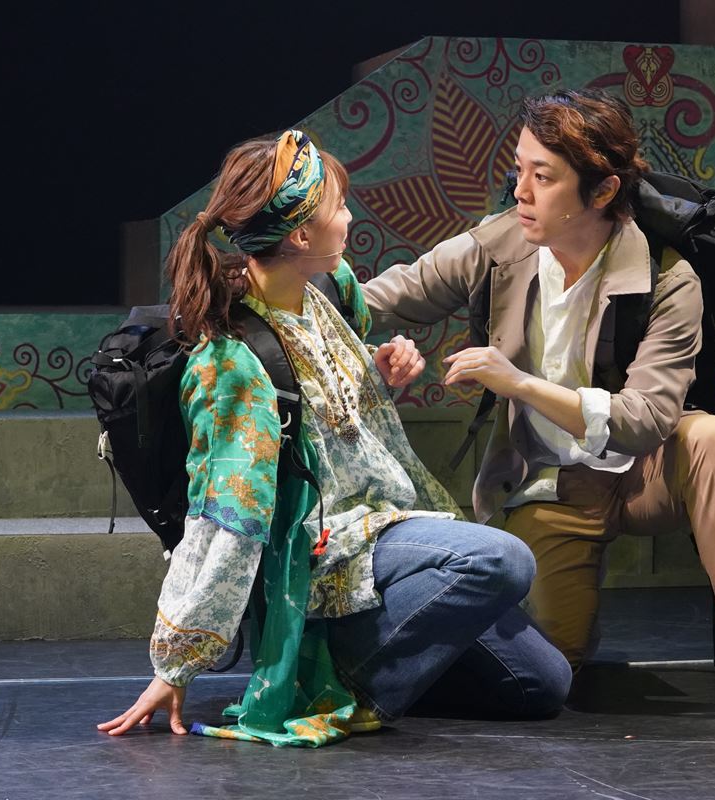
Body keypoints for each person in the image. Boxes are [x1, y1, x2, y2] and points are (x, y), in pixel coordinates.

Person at [97, 130, 571, 747]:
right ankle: (330, 682)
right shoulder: (232, 365)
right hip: (320, 559)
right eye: (339, 206)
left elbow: (320, 389)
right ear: (299, 236)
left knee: (541, 684)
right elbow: (224, 517)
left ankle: (378, 659)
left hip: (378, 527)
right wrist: (175, 664)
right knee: (501, 559)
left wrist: (378, 368)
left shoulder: (328, 289)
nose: (349, 217)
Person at [361, 89, 715, 726]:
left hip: (648, 471)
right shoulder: (499, 248)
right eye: (519, 170)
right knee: (546, 673)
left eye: (543, 177)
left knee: (710, 438)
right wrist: (272, 289)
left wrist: (518, 382)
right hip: (551, 484)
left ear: (602, 191)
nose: (521, 191)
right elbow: (389, 295)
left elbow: (645, 420)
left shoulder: (668, 278)